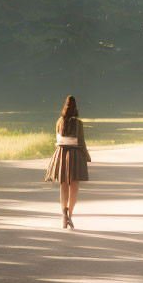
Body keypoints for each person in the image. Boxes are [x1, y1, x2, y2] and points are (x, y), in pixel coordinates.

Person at [44, 95, 90, 229]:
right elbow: (81, 143)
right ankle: (70, 214)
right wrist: (86, 156)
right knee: (74, 186)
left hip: (61, 153)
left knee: (63, 185)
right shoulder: (78, 123)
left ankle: (63, 213)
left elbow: (57, 139)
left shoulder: (59, 122)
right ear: (76, 108)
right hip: (75, 154)